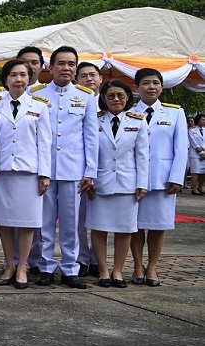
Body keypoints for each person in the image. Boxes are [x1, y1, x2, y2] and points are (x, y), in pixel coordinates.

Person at [24, 46, 97, 288]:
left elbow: (90, 137)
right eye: (61, 63)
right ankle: (44, 266)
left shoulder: (86, 97)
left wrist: (90, 171)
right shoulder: (35, 94)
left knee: (72, 222)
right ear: (50, 67)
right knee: (43, 222)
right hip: (43, 169)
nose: (66, 68)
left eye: (71, 64)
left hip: (73, 170)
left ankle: (70, 267)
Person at [0, 59, 55, 289]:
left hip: (29, 172)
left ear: (29, 78)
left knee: (27, 223)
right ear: (5, 79)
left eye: (23, 75)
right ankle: (9, 264)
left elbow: (45, 143)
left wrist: (45, 174)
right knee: (5, 222)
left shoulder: (40, 107)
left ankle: (23, 265)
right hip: (2, 172)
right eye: (13, 75)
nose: (18, 79)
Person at [82, 80, 148, 288]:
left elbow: (142, 156)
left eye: (120, 95)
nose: (116, 99)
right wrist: (89, 177)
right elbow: (88, 151)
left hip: (127, 184)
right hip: (99, 184)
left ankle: (118, 271)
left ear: (128, 97)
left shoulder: (138, 121)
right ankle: (102, 270)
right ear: (103, 99)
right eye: (110, 96)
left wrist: (142, 184)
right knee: (99, 229)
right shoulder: (95, 120)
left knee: (124, 230)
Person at [129, 69, 187, 286]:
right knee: (134, 225)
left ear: (162, 87)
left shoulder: (175, 113)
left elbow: (181, 148)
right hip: (136, 180)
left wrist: (177, 177)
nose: (151, 87)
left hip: (164, 180)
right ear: (136, 88)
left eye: (155, 83)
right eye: (145, 83)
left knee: (157, 225)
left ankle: (152, 267)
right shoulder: (130, 112)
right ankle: (136, 265)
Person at [75, 61, 103, 272]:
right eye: (83, 76)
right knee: (79, 218)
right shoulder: (76, 100)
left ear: (100, 78)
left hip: (106, 171)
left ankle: (99, 259)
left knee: (102, 219)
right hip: (81, 170)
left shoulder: (113, 101)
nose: (89, 79)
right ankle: (82, 258)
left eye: (93, 75)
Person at [189, 114, 205, 195]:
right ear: (198, 120)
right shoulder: (192, 130)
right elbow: (193, 142)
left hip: (204, 153)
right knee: (196, 172)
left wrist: (203, 148)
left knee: (203, 172)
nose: (204, 121)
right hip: (195, 154)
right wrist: (200, 151)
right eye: (202, 119)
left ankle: (200, 187)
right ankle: (194, 189)